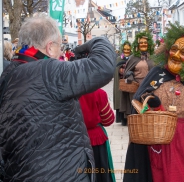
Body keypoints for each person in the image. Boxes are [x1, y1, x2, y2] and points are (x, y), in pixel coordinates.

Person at [0, 13, 116, 182]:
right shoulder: (49, 71)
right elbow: (103, 67)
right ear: (49, 47)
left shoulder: (9, 73)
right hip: (62, 174)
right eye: (60, 47)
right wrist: (98, 41)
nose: (61, 52)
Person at [123, 20, 184, 182]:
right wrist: (149, 103)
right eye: (174, 49)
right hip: (159, 142)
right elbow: (140, 100)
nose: (176, 55)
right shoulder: (157, 73)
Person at [79, 88, 116, 182]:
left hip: (75, 139)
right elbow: (108, 120)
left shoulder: (66, 93)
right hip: (96, 140)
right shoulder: (99, 93)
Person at [119, 32, 154, 125]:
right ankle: (136, 125)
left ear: (148, 44)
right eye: (141, 42)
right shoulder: (133, 58)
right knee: (136, 105)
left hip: (149, 86)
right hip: (136, 86)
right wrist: (130, 76)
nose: (143, 44)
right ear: (137, 45)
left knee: (147, 104)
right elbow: (127, 71)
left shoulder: (151, 57)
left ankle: (147, 123)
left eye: (145, 42)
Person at [113, 41, 132, 123]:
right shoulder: (119, 59)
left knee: (128, 100)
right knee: (120, 99)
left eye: (128, 49)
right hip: (120, 83)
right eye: (125, 49)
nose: (127, 51)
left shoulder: (133, 58)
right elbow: (116, 70)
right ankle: (122, 119)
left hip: (129, 83)